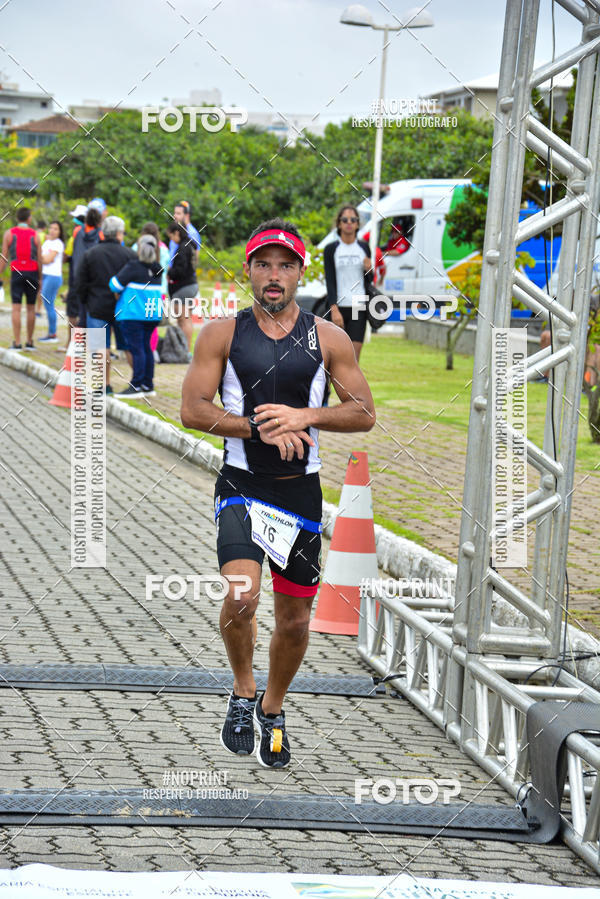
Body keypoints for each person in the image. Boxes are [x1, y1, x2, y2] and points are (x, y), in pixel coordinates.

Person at [180, 217, 375, 768]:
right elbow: (192, 408)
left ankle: (273, 705)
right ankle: (243, 691)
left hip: (300, 496)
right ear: (248, 270)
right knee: (242, 597)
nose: (274, 275)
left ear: (300, 272)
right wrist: (261, 427)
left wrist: (305, 417)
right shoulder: (221, 333)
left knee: (294, 620)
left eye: (285, 265)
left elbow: (364, 414)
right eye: (263, 264)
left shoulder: (328, 337)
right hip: (241, 485)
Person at [75, 216, 135, 395]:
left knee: (101, 347)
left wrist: (86, 301)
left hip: (97, 306)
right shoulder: (130, 254)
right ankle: (137, 382)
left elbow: (80, 282)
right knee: (128, 346)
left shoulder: (91, 254)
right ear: (118, 233)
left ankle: (105, 385)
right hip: (123, 308)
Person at [109, 234, 162, 398]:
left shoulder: (133, 266)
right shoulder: (158, 268)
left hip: (133, 314)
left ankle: (136, 385)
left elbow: (114, 285)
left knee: (137, 349)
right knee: (146, 348)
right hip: (152, 314)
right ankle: (148, 384)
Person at [324, 204, 373, 362]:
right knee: (335, 356)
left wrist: (369, 270)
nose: (349, 222)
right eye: (345, 219)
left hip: (358, 305)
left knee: (353, 358)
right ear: (339, 224)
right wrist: (334, 309)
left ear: (358, 224)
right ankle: (328, 387)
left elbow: (368, 281)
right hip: (339, 305)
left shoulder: (364, 248)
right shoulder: (331, 249)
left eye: (353, 219)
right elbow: (330, 280)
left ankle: (351, 388)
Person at [0, 207, 42, 350]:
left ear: (17, 218)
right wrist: (40, 278)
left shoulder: (9, 234)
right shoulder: (35, 235)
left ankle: (17, 343)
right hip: (32, 273)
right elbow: (40, 259)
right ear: (29, 219)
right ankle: (30, 342)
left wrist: (0, 273)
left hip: (16, 273)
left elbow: (4, 257)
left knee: (16, 309)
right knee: (31, 309)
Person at [66, 207, 103, 335]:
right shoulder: (101, 234)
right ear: (99, 221)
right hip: (96, 282)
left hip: (79, 279)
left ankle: (79, 353)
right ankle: (95, 353)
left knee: (81, 318)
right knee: (95, 318)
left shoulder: (77, 232)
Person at [167, 222, 198, 349]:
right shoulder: (190, 245)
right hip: (191, 285)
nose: (171, 240)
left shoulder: (183, 247)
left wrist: (169, 272)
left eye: (171, 236)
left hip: (183, 287)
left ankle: (185, 350)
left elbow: (181, 270)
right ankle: (185, 349)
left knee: (183, 320)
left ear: (177, 233)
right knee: (186, 319)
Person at [38, 220, 65, 344]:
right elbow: (42, 258)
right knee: (48, 304)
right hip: (45, 275)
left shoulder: (58, 244)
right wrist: (41, 258)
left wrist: (41, 258)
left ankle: (52, 333)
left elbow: (47, 260)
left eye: (56, 229)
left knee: (49, 305)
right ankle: (51, 332)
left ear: (60, 232)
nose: (52, 231)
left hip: (53, 277)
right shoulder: (47, 242)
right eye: (51, 228)